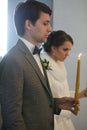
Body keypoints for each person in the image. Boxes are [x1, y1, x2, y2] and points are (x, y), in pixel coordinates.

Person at [0, 1, 79, 130]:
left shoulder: (36, 55)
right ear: (28, 24)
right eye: (45, 23)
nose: (50, 29)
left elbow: (31, 101)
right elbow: (12, 116)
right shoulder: (14, 60)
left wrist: (56, 103)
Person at [41, 30, 87, 130]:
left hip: (64, 119)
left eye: (69, 50)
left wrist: (81, 94)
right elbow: (49, 98)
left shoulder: (59, 63)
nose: (68, 54)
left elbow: (62, 95)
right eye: (65, 49)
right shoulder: (43, 64)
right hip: (51, 120)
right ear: (53, 48)